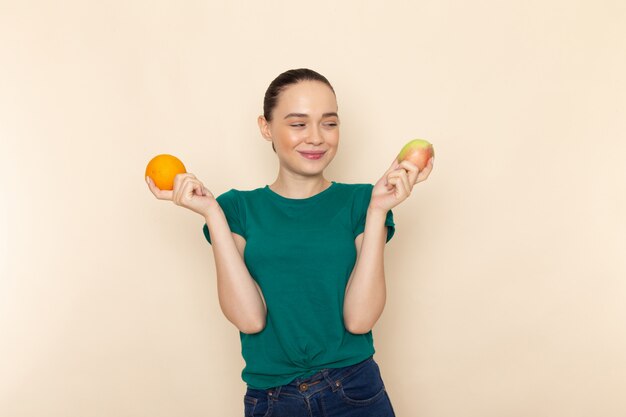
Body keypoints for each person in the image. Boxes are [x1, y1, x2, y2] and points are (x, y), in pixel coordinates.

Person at [146, 68, 434, 417]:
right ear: (266, 127)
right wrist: (212, 214)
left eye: (329, 123)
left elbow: (360, 321)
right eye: (298, 124)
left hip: (356, 391)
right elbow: (250, 319)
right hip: (272, 399)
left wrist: (377, 211)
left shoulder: (363, 201)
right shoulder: (235, 208)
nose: (316, 137)